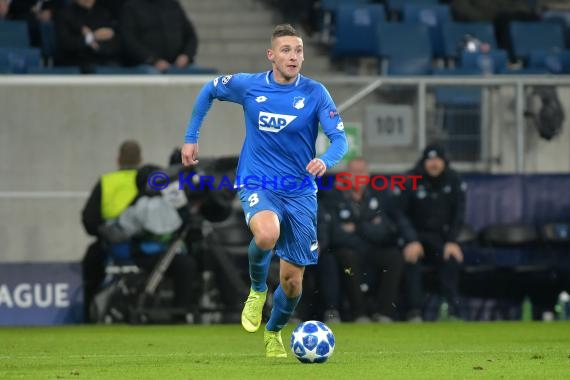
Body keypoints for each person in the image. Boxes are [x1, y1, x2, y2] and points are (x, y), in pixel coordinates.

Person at [181, 24, 347, 357]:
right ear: (271, 55)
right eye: (286, 50)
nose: (294, 56)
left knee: (292, 283)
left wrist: (325, 160)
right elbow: (208, 90)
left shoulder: (316, 93)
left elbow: (339, 139)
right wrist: (191, 137)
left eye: (298, 50)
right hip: (258, 180)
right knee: (267, 234)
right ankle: (257, 290)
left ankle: (273, 332)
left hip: (299, 190)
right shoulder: (249, 85)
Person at [319, 157, 404, 323]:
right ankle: (359, 313)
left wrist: (357, 227)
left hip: (373, 249)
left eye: (361, 172)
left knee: (394, 257)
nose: (357, 176)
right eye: (353, 172)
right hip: (347, 251)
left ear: (368, 175)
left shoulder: (379, 197)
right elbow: (335, 234)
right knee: (347, 258)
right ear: (346, 175)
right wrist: (368, 228)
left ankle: (384, 313)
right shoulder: (333, 198)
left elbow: (385, 231)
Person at [395, 144, 467, 321]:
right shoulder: (410, 179)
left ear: (444, 162)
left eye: (438, 160)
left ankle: (451, 310)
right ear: (424, 161)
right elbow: (399, 214)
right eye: (430, 160)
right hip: (415, 237)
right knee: (411, 259)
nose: (434, 164)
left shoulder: (454, 179)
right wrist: (410, 239)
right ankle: (414, 312)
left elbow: (459, 214)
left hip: (440, 239)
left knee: (451, 258)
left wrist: (452, 241)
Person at [81, 140, 142, 322]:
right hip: (144, 245)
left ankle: (90, 317)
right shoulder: (150, 180)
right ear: (140, 159)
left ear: (118, 159)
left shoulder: (106, 182)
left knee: (91, 264)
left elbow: (89, 220)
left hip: (113, 245)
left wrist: (103, 232)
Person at [121, 0, 198, 72]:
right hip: (146, 65)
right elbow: (130, 41)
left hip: (178, 65)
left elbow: (191, 36)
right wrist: (154, 60)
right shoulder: (132, 7)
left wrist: (186, 55)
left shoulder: (172, 4)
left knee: (201, 75)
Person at [55, 0, 121, 73]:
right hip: (74, 62)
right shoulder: (65, 14)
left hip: (102, 60)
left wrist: (99, 47)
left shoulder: (103, 13)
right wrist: (91, 38)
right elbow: (65, 43)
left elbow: (114, 42)